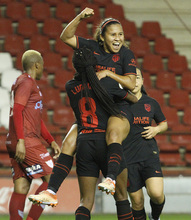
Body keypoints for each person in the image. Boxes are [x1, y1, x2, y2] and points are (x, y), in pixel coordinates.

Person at [33, 48, 134, 220]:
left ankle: (52, 191)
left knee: (85, 201)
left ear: (74, 66)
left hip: (84, 143)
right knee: (122, 197)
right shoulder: (107, 83)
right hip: (107, 142)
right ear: (96, 64)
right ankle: (110, 179)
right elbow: (132, 98)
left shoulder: (70, 87)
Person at [60, 8, 136, 193]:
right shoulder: (91, 47)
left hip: (116, 107)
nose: (118, 38)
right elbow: (65, 37)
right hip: (95, 108)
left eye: (121, 34)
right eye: (113, 35)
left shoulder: (126, 54)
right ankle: (52, 191)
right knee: (68, 142)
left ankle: (110, 178)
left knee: (112, 135)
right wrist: (79, 17)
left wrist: (109, 73)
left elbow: (131, 83)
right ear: (102, 37)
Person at [5, 49, 61, 220]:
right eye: (42, 64)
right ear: (37, 65)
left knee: (21, 187)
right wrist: (21, 140)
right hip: (26, 140)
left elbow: (35, 118)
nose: (43, 68)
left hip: (17, 140)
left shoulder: (23, 82)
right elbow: (18, 110)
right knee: (53, 180)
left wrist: (50, 140)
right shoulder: (27, 83)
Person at [123, 68, 167, 220]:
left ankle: (155, 217)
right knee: (137, 202)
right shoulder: (119, 104)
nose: (134, 81)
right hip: (127, 158)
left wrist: (156, 129)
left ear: (142, 81)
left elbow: (164, 124)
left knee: (156, 194)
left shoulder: (151, 103)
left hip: (149, 156)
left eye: (138, 78)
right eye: (130, 78)